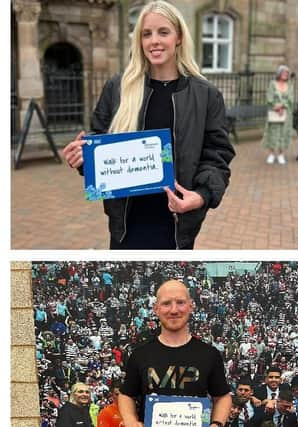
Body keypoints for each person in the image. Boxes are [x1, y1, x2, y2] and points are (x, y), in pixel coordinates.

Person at [62, 1, 235, 250]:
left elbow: (217, 155)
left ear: (178, 38)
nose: (154, 40)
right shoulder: (117, 88)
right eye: (146, 33)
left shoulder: (206, 95)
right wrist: (83, 158)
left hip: (176, 224)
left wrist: (201, 196)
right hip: (126, 223)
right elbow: (100, 140)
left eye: (163, 32)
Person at [119, 279, 232, 427]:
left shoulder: (209, 354)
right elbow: (126, 394)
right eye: (166, 303)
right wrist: (130, 421)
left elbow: (222, 396)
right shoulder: (140, 354)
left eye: (180, 302)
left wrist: (217, 424)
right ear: (156, 308)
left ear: (191, 306)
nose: (174, 310)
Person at [263, 65, 295, 165]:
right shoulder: (273, 84)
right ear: (279, 73)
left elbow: (291, 99)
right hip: (274, 111)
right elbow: (269, 97)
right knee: (273, 132)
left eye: (287, 73)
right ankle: (272, 154)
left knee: (284, 133)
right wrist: (275, 106)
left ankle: (281, 154)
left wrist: (282, 106)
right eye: (284, 72)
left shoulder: (290, 85)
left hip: (286, 113)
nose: (285, 75)